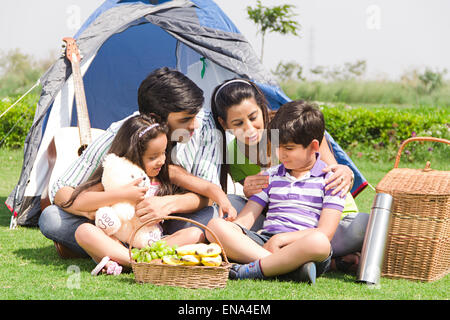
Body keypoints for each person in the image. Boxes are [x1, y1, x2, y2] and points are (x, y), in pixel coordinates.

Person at [39, 67, 226, 259]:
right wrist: (96, 210)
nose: (194, 124)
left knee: (209, 219)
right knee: (52, 218)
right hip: (116, 224)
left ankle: (119, 252)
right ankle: (140, 253)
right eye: (186, 119)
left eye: (195, 116)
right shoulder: (123, 133)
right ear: (155, 118)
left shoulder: (205, 130)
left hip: (174, 221)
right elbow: (61, 190)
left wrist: (168, 204)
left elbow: (208, 195)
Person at [210, 78, 369, 272]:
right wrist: (243, 203)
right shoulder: (242, 159)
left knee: (336, 235)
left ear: (261, 108)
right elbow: (254, 211)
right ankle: (286, 264)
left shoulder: (297, 126)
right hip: (278, 223)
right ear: (224, 124)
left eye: (253, 118)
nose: (249, 129)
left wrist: (346, 171)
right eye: (238, 123)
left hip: (327, 223)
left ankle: (275, 262)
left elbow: (334, 171)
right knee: (219, 221)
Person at [60, 114, 235, 274]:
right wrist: (122, 194)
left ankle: (133, 260)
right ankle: (136, 261)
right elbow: (81, 200)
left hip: (151, 243)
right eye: (153, 157)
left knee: (195, 234)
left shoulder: (167, 173)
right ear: (133, 154)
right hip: (116, 241)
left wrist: (223, 200)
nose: (161, 160)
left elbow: (207, 187)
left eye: (164, 153)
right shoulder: (118, 175)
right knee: (84, 231)